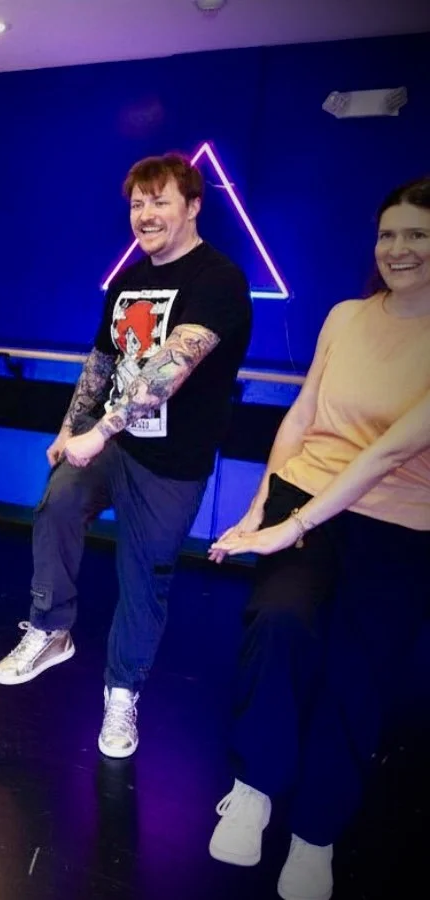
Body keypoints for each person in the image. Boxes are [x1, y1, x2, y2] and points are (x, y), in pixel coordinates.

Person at [206, 176, 430, 900]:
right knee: (278, 623)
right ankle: (254, 787)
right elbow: (303, 413)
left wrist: (293, 529)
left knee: (355, 672)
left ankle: (316, 833)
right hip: (304, 491)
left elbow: (388, 453)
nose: (398, 248)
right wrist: (262, 507)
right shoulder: (345, 316)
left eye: (417, 235)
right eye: (388, 234)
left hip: (397, 522)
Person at [0, 152, 253, 759]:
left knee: (144, 579)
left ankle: (121, 694)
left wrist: (98, 431)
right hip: (111, 441)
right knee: (57, 503)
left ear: (193, 206)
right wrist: (69, 429)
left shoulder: (218, 279)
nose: (145, 215)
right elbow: (102, 362)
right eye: (137, 204)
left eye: (160, 202)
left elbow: (173, 365)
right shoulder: (128, 282)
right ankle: (51, 629)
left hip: (171, 462)